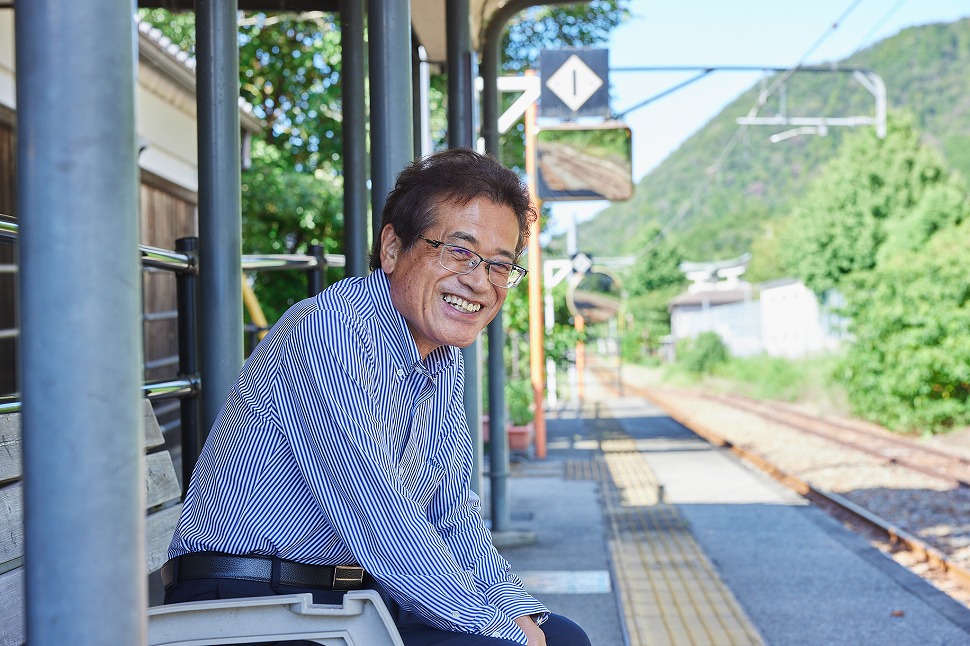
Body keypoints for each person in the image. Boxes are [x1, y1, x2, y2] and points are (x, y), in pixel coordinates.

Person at [162, 148, 592, 646]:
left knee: (563, 638)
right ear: (392, 248)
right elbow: (378, 521)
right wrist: (496, 626)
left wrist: (522, 613)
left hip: (338, 602)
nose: (479, 282)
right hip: (244, 602)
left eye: (500, 265)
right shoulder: (331, 332)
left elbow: (451, 515)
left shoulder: (438, 357)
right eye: (458, 251)